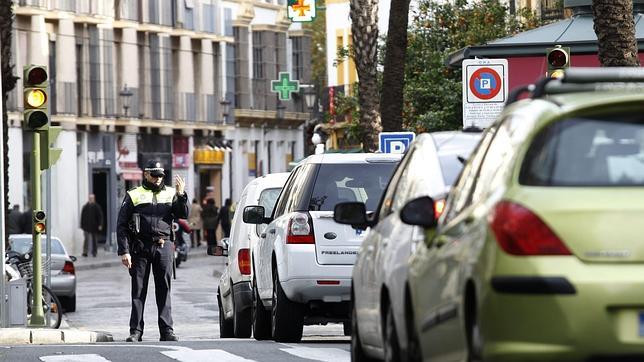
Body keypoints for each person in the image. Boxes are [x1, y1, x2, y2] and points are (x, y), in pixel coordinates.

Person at [116, 160, 188, 342]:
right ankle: (136, 331)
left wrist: (181, 195)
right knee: (138, 291)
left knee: (164, 289)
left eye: (161, 175)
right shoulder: (134, 194)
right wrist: (124, 251)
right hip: (140, 247)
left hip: (164, 246)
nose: (158, 179)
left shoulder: (171, 193)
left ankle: (167, 331)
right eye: (154, 175)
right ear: (146, 174)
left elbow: (183, 214)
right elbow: (122, 225)